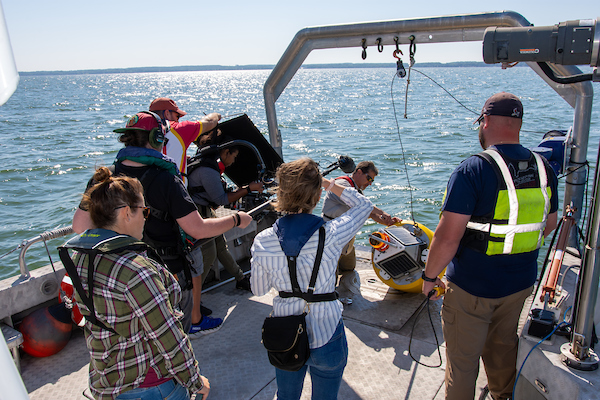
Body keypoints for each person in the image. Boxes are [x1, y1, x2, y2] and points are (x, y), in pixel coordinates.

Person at [421, 92, 559, 400]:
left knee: (462, 363)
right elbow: (548, 224)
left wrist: (430, 278)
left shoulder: (473, 169)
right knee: (503, 349)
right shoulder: (544, 168)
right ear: (518, 124)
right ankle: (502, 395)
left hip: (471, 290)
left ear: (485, 122)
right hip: (520, 285)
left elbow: (447, 238)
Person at [72, 111, 252, 337]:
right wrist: (237, 219)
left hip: (120, 271)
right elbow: (197, 229)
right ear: (158, 139)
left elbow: (80, 226)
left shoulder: (105, 177)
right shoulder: (166, 179)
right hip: (165, 273)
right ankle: (192, 327)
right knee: (174, 333)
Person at [62, 168, 209, 400]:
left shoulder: (79, 259)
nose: (145, 217)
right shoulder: (137, 271)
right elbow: (168, 336)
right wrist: (195, 381)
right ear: (126, 214)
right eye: (144, 211)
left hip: (107, 382)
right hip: (152, 387)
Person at [251, 157, 373, 400]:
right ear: (317, 196)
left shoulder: (263, 240)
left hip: (285, 333)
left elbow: (259, 288)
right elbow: (364, 206)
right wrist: (329, 185)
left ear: (281, 193)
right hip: (328, 331)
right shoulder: (333, 233)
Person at [149, 97, 222, 330]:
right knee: (194, 263)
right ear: (168, 114)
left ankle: (167, 316)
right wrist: (216, 117)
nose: (179, 118)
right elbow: (208, 123)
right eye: (177, 114)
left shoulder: (140, 135)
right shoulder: (179, 130)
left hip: (148, 207)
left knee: (159, 263)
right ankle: (195, 319)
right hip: (175, 202)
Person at [187, 131, 264, 295]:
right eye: (233, 156)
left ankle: (240, 278)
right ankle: (193, 301)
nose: (233, 161)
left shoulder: (208, 163)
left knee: (221, 246)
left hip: (205, 209)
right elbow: (222, 199)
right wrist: (249, 188)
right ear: (225, 152)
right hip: (198, 212)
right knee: (209, 254)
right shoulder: (207, 170)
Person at [321, 160, 400, 293]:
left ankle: (343, 293)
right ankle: (328, 298)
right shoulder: (341, 185)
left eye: (372, 181)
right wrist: (381, 212)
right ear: (358, 172)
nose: (369, 183)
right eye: (369, 178)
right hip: (333, 236)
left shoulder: (355, 189)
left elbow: (368, 212)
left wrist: (388, 221)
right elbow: (360, 204)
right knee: (330, 273)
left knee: (349, 268)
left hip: (348, 237)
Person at [149, 97, 221, 183]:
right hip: (173, 189)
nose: (178, 120)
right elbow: (210, 121)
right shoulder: (178, 129)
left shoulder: (143, 130)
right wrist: (217, 115)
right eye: (177, 116)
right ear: (167, 113)